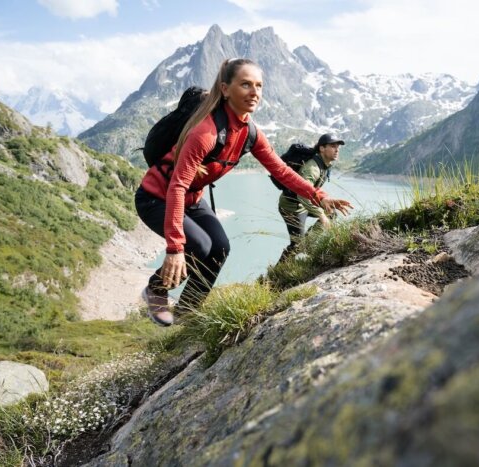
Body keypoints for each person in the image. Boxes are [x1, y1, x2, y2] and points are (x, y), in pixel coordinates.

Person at [135, 58, 353, 326]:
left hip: (192, 198)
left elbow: (282, 171)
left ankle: (187, 315)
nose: (254, 92)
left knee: (221, 248)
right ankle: (156, 289)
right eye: (246, 84)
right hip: (157, 197)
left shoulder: (249, 132)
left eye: (259, 86)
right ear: (225, 89)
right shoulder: (205, 132)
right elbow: (177, 186)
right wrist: (174, 248)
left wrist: (320, 196)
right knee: (200, 246)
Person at [277, 133, 345, 263]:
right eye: (332, 146)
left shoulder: (324, 164)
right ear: (322, 148)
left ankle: (307, 245)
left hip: (304, 204)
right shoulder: (312, 168)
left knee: (331, 213)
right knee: (296, 246)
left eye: (338, 147)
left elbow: (313, 189)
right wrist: (320, 214)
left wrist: (325, 200)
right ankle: (274, 275)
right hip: (292, 207)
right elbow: (302, 194)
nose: (337, 150)